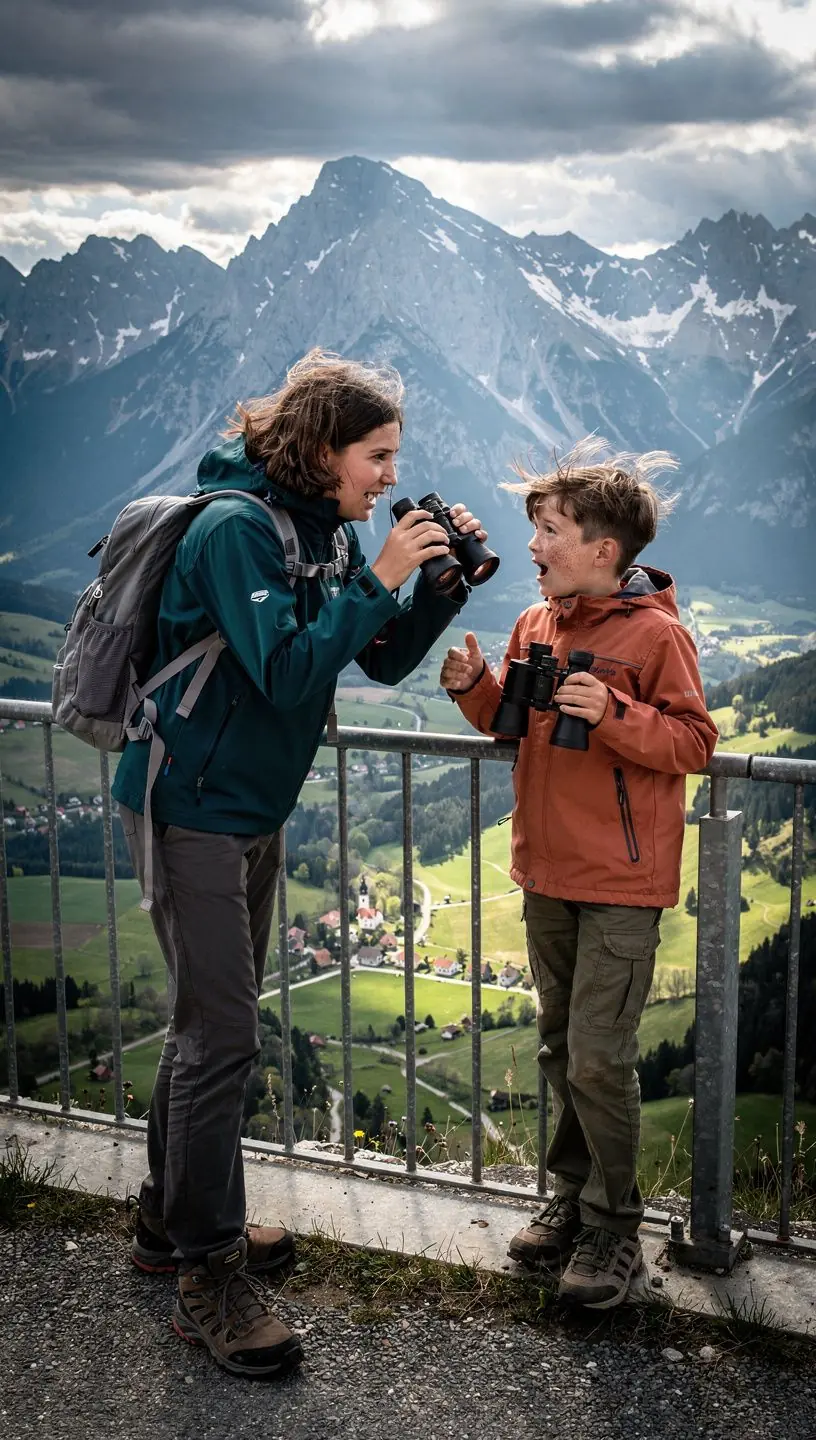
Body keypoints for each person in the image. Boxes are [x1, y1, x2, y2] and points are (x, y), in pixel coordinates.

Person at [112, 349, 487, 1377]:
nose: (385, 476)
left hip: (250, 811)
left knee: (207, 1031)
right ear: (322, 450)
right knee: (222, 1039)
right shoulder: (238, 531)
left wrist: (436, 590)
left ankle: (162, 1221)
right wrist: (382, 574)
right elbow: (282, 672)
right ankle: (206, 1270)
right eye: (376, 456)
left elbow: (367, 657)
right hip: (191, 809)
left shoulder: (316, 529)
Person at [440, 438, 717, 1310]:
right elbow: (511, 728)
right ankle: (572, 1199)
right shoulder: (534, 623)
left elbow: (694, 743)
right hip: (546, 871)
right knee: (563, 1048)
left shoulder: (657, 635)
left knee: (600, 1056)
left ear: (605, 549)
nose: (532, 547)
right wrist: (476, 687)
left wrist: (617, 711)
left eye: (548, 530)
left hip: (624, 883)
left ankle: (612, 1226)